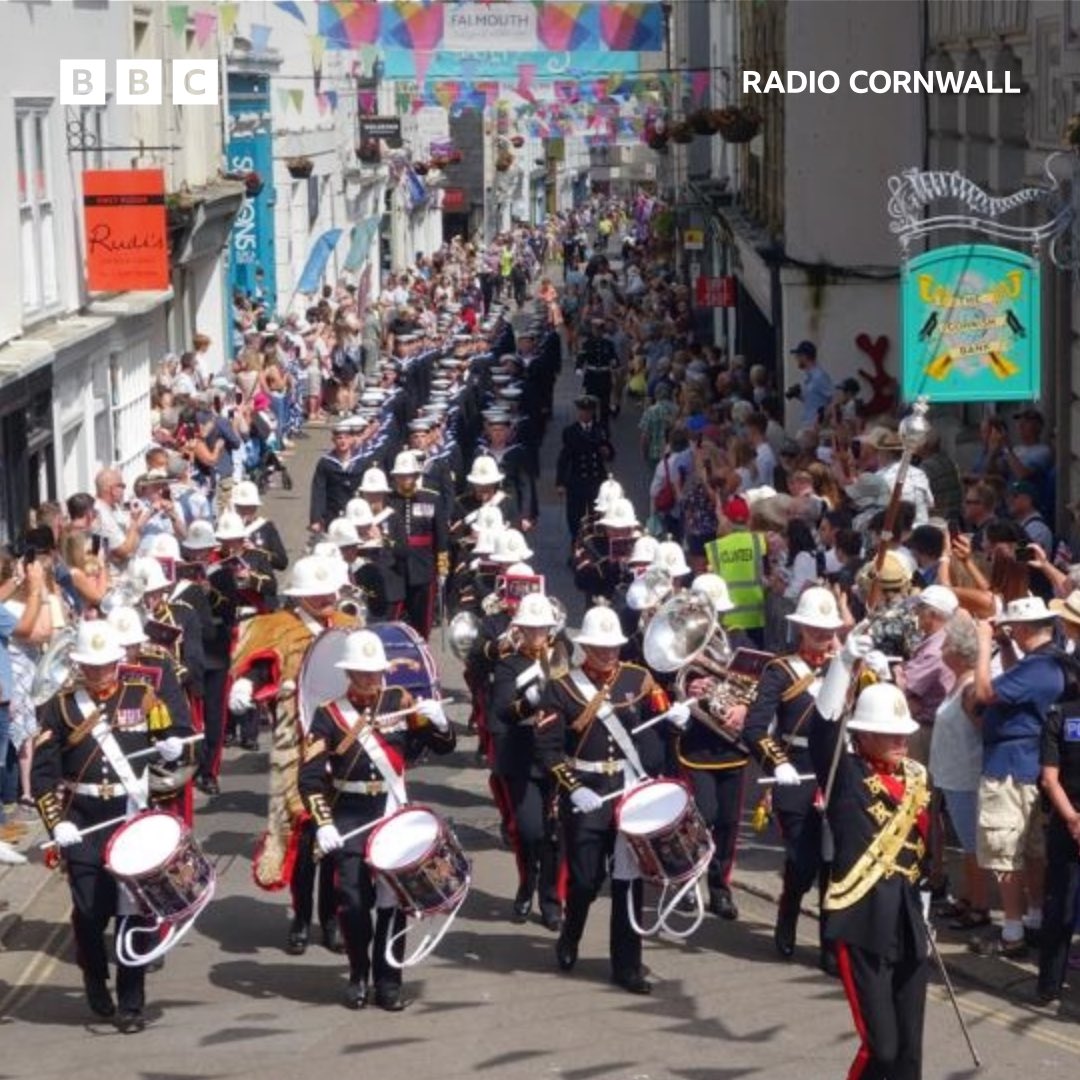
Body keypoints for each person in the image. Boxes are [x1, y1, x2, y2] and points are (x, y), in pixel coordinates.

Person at [30, 620, 193, 1033]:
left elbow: (171, 743)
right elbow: (44, 776)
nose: (99, 672)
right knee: (88, 911)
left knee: (134, 912)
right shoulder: (62, 707)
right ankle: (93, 975)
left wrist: (173, 747)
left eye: (105, 664)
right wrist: (56, 824)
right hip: (83, 819)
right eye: (90, 665)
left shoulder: (142, 694)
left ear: (118, 661)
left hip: (130, 817)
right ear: (79, 664)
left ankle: (133, 1002)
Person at [534, 605, 689, 994]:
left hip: (629, 788)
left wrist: (676, 720)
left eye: (613, 647)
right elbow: (548, 751)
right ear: (585, 646)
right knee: (586, 880)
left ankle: (628, 965)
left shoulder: (639, 678)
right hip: (586, 789)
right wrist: (573, 787)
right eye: (600, 648)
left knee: (629, 880)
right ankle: (571, 935)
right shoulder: (562, 688)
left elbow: (660, 719)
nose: (608, 654)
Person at [300, 629, 455, 1010]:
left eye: (375, 672)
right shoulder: (329, 715)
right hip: (350, 814)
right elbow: (309, 777)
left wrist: (440, 723)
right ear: (349, 673)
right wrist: (323, 823)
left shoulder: (400, 701)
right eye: (362, 673)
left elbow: (442, 746)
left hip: (391, 810)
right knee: (353, 903)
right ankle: (357, 972)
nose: (371, 679)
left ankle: (389, 979)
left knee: (394, 901)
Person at [811, 642, 931, 1080]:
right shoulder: (846, 774)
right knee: (881, 1048)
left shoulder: (919, 777)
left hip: (908, 921)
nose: (902, 740)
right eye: (890, 733)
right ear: (862, 734)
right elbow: (823, 729)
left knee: (909, 1055)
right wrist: (841, 667)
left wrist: (928, 903)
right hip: (863, 922)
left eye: (904, 732)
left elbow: (926, 850)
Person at [743, 586, 845, 971]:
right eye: (814, 628)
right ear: (800, 628)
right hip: (796, 770)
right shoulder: (780, 670)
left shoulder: (847, 666)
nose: (822, 635)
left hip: (836, 772)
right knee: (803, 862)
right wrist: (776, 763)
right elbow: (754, 728)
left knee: (835, 864)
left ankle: (830, 944)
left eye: (828, 628)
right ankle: (789, 908)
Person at [970, 596, 1063, 958]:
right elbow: (1017, 681)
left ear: (1023, 628)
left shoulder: (1039, 668)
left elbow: (985, 691)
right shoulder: (1047, 663)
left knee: (1006, 852)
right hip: (1029, 764)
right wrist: (1006, 645)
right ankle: (1034, 920)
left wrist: (983, 645)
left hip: (1010, 769)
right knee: (1032, 850)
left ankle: (1012, 932)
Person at [489, 593, 563, 930]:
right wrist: (530, 701)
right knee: (530, 831)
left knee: (555, 833)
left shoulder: (563, 655)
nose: (537, 633)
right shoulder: (508, 664)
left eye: (542, 627)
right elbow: (504, 710)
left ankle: (551, 898)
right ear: (520, 628)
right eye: (530, 627)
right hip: (522, 755)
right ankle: (526, 883)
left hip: (559, 754)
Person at [555, 395, 614, 545]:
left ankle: (598, 543)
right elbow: (564, 458)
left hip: (596, 478)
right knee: (575, 515)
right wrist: (560, 482)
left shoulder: (600, 429)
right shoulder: (570, 431)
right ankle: (577, 542)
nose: (585, 415)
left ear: (593, 412)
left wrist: (607, 452)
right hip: (577, 479)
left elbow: (609, 450)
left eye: (588, 411)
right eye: (582, 411)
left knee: (598, 514)